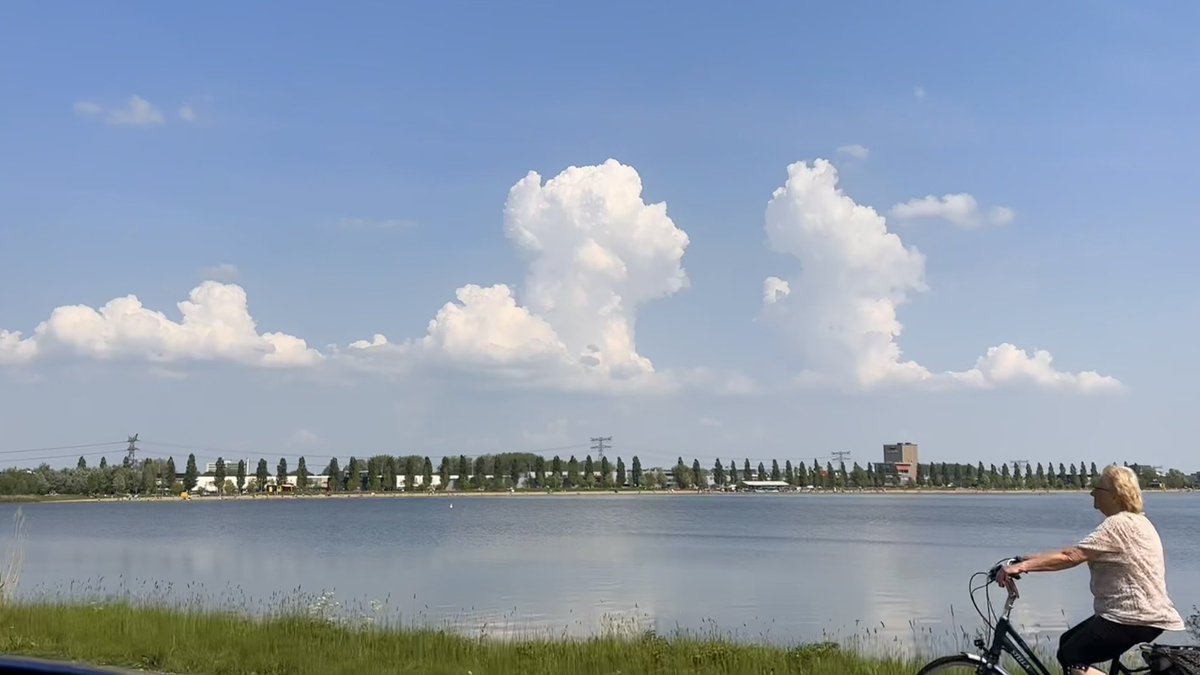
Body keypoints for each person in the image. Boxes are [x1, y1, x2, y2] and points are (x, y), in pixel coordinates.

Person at [997, 464, 1184, 675]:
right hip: (1143, 615)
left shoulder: (1118, 524)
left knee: (1072, 655)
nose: (1092, 492)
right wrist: (1022, 560)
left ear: (1115, 495)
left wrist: (1021, 567)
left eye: (1098, 488)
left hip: (1131, 616)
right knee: (1066, 643)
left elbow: (1072, 557)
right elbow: (1074, 552)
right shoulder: (1138, 522)